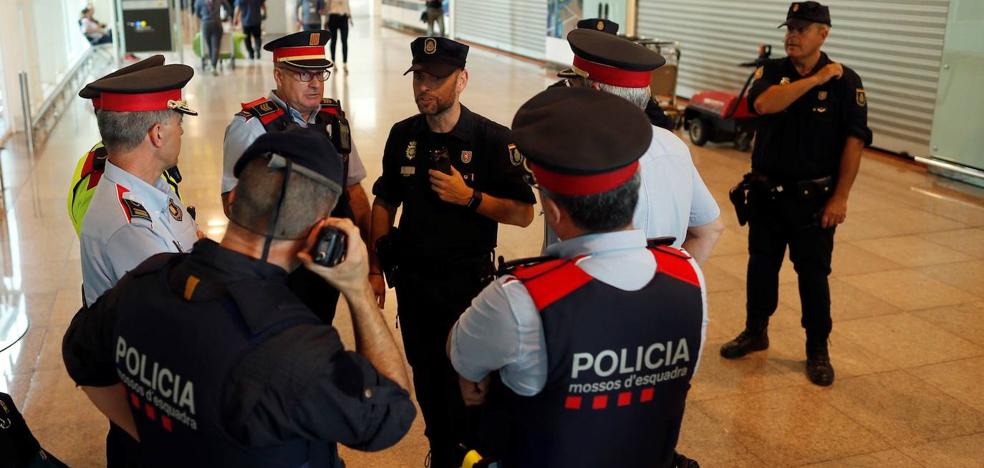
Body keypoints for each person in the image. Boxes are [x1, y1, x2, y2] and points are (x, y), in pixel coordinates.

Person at [63, 130, 416, 467]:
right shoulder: (294, 348)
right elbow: (391, 414)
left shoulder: (144, 282)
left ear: (233, 201)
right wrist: (357, 291)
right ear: (316, 231)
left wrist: (164, 444)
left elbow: (78, 355)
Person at [449, 87, 707, 467]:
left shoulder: (521, 300)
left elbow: (465, 364)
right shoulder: (688, 276)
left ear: (553, 212)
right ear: (632, 193)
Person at [369, 36, 535, 467]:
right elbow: (384, 199)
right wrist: (379, 257)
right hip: (416, 287)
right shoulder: (402, 135)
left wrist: (470, 198)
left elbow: (523, 214)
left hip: (470, 291)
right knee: (428, 381)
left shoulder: (493, 140)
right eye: (420, 77)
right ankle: (442, 452)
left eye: (437, 79)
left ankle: (473, 455)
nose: (425, 87)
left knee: (471, 384)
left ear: (462, 81)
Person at [719, 1, 872, 387]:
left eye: (802, 29)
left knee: (813, 276)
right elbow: (763, 103)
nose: (792, 35)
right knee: (761, 266)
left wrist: (841, 198)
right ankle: (756, 330)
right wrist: (815, 80)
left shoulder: (847, 82)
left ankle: (817, 348)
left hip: (814, 202)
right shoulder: (772, 72)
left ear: (824, 33)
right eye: (789, 27)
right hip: (768, 195)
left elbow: (854, 144)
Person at [76, 63, 199, 468]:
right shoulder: (128, 226)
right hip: (154, 412)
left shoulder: (154, 189)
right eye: (178, 118)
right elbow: (180, 317)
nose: (182, 129)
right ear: (157, 133)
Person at [223, 30, 371, 325]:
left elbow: (353, 190)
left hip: (325, 262)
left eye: (320, 73)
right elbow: (232, 203)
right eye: (304, 74)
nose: (315, 83)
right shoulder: (252, 127)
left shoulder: (333, 119)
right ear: (279, 75)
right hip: (277, 268)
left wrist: (371, 265)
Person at [545, 28, 724, 264]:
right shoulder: (674, 146)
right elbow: (710, 229)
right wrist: (670, 280)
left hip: (589, 296)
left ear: (595, 93)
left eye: (573, 83)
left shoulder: (576, 156)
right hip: (664, 296)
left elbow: (563, 257)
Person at [68, 55, 187, 237]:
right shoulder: (118, 212)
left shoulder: (130, 160)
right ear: (157, 133)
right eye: (179, 123)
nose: (181, 132)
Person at [194, 0, 233, 76]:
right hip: (217, 23)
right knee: (216, 46)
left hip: (205, 24)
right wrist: (224, 18)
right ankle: (213, 66)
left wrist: (203, 17)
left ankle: (212, 64)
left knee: (210, 46)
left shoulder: (199, 1)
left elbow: (197, 13)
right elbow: (228, 8)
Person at [325, 0, 353, 73]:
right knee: (333, 41)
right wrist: (326, 20)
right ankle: (333, 62)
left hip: (344, 17)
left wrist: (350, 16)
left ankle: (345, 63)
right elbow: (327, 6)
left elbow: (347, 4)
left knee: (344, 41)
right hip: (333, 17)